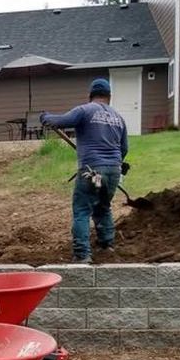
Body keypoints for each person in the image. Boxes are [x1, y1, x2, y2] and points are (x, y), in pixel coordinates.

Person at [40, 78, 129, 264]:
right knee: (103, 207)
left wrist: (46, 117)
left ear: (90, 95)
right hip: (113, 171)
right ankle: (107, 245)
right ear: (109, 97)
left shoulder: (84, 110)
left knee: (82, 210)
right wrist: (112, 164)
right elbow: (124, 149)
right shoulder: (119, 118)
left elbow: (61, 121)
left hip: (91, 170)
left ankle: (82, 255)